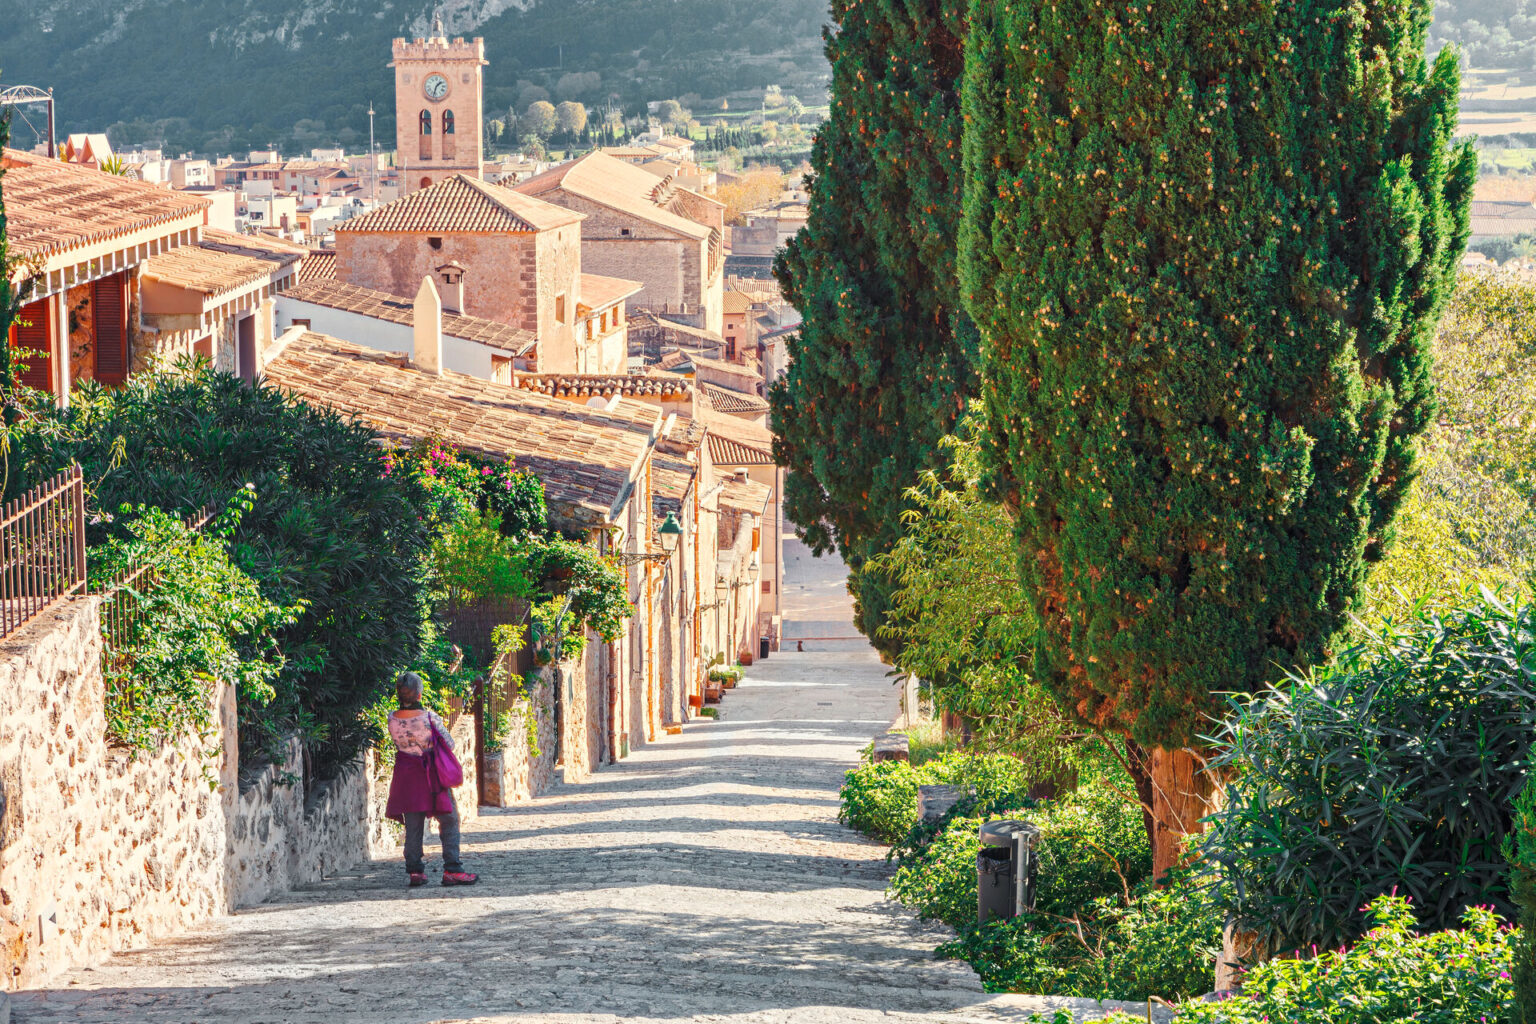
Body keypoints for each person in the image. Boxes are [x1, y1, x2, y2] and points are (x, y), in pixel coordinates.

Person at [384, 672, 478, 888]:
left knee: (414, 823)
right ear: (419, 694)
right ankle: (452, 869)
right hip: (431, 775)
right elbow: (449, 743)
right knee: (449, 819)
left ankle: (415, 872)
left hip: (406, 775)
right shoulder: (429, 718)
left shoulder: (392, 718)